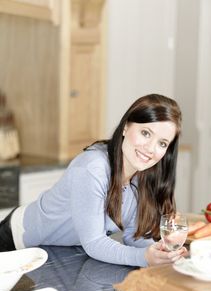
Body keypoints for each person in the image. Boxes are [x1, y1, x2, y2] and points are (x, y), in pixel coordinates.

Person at [0, 93, 187, 267]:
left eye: (162, 143)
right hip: (16, 241)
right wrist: (144, 257)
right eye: (145, 133)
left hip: (58, 251)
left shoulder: (142, 177)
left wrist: (159, 252)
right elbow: (94, 243)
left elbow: (133, 236)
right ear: (125, 127)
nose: (150, 148)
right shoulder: (92, 168)